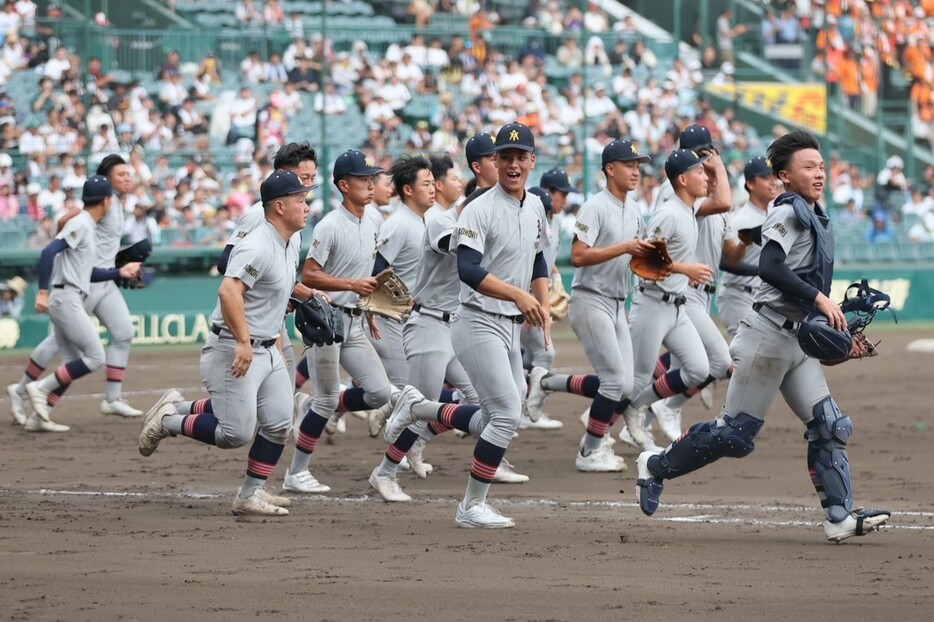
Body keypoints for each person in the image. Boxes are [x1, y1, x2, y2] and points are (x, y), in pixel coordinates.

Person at [635, 130, 892, 542]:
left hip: (797, 339)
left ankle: (839, 516)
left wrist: (836, 326)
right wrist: (820, 300)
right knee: (733, 436)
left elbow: (803, 284)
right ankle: (655, 466)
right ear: (785, 177)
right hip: (766, 336)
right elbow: (771, 267)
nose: (819, 173)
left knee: (830, 425)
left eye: (821, 166)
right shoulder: (786, 210)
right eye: (808, 167)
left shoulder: (814, 211)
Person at [382, 123, 550, 528]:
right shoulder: (478, 209)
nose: (512, 163)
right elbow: (469, 270)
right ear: (492, 162)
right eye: (504, 156)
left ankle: (419, 407)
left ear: (532, 160)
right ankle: (470, 506)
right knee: (507, 414)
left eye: (519, 156)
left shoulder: (536, 206)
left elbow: (539, 260)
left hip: (509, 324)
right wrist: (519, 295)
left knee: (502, 418)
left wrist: (540, 305)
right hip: (475, 320)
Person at [137, 169, 313, 517]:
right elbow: (229, 290)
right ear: (279, 206)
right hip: (233, 348)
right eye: (300, 200)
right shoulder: (256, 244)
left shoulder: (289, 242)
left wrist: (306, 295)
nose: (306, 206)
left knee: (278, 422)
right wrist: (244, 343)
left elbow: (274, 287)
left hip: (268, 346)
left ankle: (249, 495)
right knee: (235, 433)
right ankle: (168, 421)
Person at [525, 140, 656, 470]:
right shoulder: (596, 206)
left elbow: (632, 257)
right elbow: (579, 256)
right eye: (629, 164)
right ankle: (590, 451)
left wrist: (654, 264)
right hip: (590, 299)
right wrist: (624, 247)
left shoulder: (635, 208)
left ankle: (545, 382)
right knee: (613, 381)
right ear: (611, 169)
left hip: (616, 302)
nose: (636, 170)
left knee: (626, 385)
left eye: (638, 165)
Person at [8, 155, 145, 427]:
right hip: (81, 282)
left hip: (101, 277)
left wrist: (120, 269)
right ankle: (25, 390)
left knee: (122, 333)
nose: (127, 178)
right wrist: (64, 229)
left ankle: (111, 399)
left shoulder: (113, 203)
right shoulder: (99, 207)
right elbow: (68, 223)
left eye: (128, 174)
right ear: (106, 182)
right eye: (121, 174)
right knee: (68, 346)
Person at [287, 150, 394, 494]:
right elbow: (310, 274)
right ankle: (296, 472)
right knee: (326, 399)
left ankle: (317, 407)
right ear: (344, 185)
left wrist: (372, 306)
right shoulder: (329, 225)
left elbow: (369, 271)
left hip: (356, 320)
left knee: (378, 392)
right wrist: (351, 286)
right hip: (326, 321)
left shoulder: (375, 218)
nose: (370, 183)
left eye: (371, 177)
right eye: (363, 178)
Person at [718, 156, 781, 336]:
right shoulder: (740, 219)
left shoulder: (777, 216)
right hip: (738, 295)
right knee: (749, 356)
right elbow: (724, 261)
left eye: (774, 177)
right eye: (765, 177)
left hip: (765, 298)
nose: (773, 182)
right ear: (750, 184)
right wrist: (762, 271)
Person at [462, 132, 497, 199]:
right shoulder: (472, 205)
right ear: (477, 167)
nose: (500, 163)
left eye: (502, 158)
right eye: (494, 159)